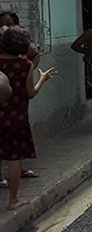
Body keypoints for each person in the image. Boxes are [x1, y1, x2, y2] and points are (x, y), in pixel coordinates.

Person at [0, 26, 57, 210]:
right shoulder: (26, 66)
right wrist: (42, 79)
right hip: (17, 119)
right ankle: (13, 200)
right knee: (14, 159)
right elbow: (30, 93)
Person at [0, 11, 41, 184]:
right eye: (2, 24)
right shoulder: (21, 62)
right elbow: (32, 93)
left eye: (9, 24)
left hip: (18, 100)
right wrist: (39, 78)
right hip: (7, 99)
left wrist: (30, 73)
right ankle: (11, 192)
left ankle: (19, 169)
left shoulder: (24, 60)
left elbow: (35, 56)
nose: (4, 27)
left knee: (14, 139)